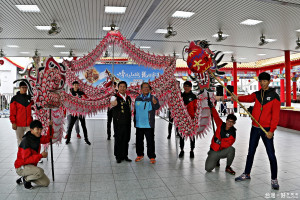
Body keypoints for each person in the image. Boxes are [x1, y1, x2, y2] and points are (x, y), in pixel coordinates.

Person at [233, 72, 280, 190]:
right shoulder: (257, 94)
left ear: (269, 82)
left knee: (271, 155)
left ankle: (274, 178)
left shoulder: (274, 96)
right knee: (250, 152)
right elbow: (248, 98)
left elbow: (275, 116)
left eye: (265, 81)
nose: (262, 83)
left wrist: (272, 131)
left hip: (266, 130)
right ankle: (246, 173)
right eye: (261, 81)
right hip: (255, 128)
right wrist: (237, 97)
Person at [14, 120, 52, 189]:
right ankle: (26, 179)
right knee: (40, 171)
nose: (39, 131)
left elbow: (47, 139)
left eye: (40, 129)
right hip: (21, 167)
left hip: (31, 166)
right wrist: (41, 156)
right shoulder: (26, 141)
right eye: (37, 129)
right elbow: (26, 160)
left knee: (46, 182)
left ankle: (24, 178)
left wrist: (50, 126)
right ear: (31, 130)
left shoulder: (37, 137)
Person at [205, 101, 237, 175]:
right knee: (208, 169)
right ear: (226, 120)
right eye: (229, 121)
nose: (230, 123)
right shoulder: (220, 124)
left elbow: (228, 144)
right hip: (214, 150)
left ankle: (228, 167)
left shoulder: (233, 133)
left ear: (234, 123)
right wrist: (212, 107)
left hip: (222, 151)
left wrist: (219, 142)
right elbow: (216, 116)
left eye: (232, 122)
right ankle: (213, 157)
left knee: (231, 149)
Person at [134, 82, 160, 164]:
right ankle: (140, 155)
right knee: (139, 141)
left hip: (149, 124)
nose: (146, 88)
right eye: (144, 87)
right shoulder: (137, 98)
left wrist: (155, 103)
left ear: (149, 89)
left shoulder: (153, 98)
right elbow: (135, 111)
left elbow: (157, 107)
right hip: (139, 124)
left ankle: (152, 156)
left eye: (147, 87)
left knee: (150, 141)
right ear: (141, 89)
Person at [110, 81, 132, 163]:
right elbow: (111, 104)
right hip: (118, 122)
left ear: (126, 88)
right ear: (118, 88)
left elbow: (131, 109)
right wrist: (113, 104)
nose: (122, 88)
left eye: (124, 87)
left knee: (126, 139)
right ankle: (118, 156)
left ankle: (125, 155)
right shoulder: (114, 97)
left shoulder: (128, 98)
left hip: (127, 122)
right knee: (118, 139)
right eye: (121, 87)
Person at [65, 81, 91, 145]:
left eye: (77, 85)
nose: (76, 86)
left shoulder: (81, 93)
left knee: (84, 126)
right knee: (70, 126)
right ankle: (68, 139)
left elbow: (87, 99)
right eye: (75, 85)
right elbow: (67, 102)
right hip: (74, 113)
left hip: (81, 113)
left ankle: (86, 139)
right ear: (73, 85)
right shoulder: (70, 93)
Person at [10, 81, 34, 146]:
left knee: (30, 140)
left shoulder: (30, 98)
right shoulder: (14, 99)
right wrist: (13, 122)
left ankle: (28, 155)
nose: (24, 89)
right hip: (18, 124)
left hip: (29, 124)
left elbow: (34, 107)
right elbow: (12, 112)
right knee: (20, 140)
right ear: (19, 87)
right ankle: (21, 155)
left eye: (26, 88)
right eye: (23, 87)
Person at [178, 81, 197, 158]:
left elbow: (196, 108)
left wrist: (195, 119)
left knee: (192, 136)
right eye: (185, 86)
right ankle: (181, 150)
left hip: (191, 120)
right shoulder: (180, 96)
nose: (186, 87)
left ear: (191, 87)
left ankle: (192, 150)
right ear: (183, 87)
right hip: (182, 120)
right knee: (181, 136)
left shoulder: (194, 96)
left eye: (188, 86)